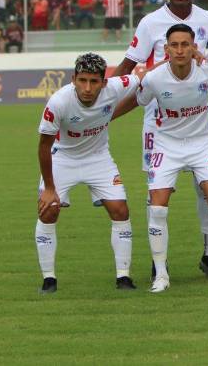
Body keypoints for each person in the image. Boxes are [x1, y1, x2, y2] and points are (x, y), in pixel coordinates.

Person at [113, 0, 208, 279]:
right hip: (158, 118)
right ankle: (156, 258)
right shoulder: (150, 23)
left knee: (207, 188)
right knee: (158, 190)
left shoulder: (206, 18)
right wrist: (106, 89)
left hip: (200, 114)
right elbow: (131, 62)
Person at [133, 24, 208, 292]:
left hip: (203, 143)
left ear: (194, 47)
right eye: (174, 45)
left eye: (185, 44)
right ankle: (161, 275)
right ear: (166, 50)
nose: (180, 50)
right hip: (167, 145)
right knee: (157, 207)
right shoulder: (155, 79)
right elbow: (141, 99)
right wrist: (145, 73)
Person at [36, 53, 139, 294]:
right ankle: (49, 279)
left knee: (120, 210)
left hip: (98, 158)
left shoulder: (116, 87)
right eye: (82, 80)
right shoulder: (58, 102)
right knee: (47, 211)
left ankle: (123, 276)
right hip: (63, 158)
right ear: (73, 79)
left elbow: (148, 78)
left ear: (104, 82)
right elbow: (43, 146)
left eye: (94, 81)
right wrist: (50, 189)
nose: (88, 88)